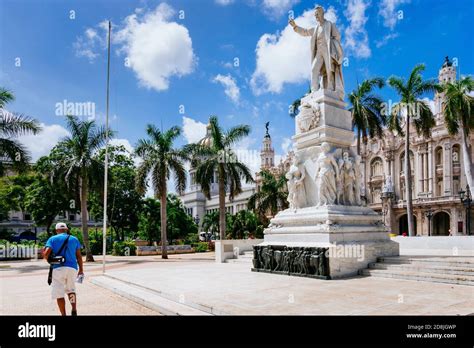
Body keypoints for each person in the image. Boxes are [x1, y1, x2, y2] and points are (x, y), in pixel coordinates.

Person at [43, 222, 83, 316]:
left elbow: (46, 254)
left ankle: (63, 314)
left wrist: (47, 257)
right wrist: (81, 270)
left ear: (57, 230)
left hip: (58, 268)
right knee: (71, 290)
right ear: (67, 229)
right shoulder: (74, 239)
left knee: (59, 293)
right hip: (72, 268)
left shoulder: (52, 239)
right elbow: (79, 256)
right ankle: (74, 309)